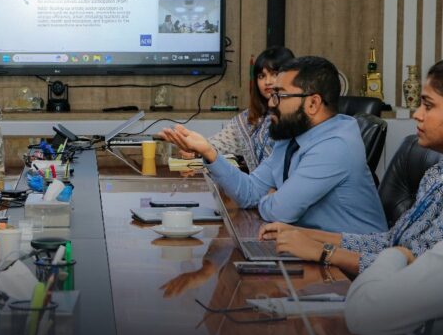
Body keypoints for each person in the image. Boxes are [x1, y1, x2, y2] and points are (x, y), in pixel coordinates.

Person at [160, 56, 386, 234]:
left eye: (279, 95)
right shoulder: (292, 137)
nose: (270, 102)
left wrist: (271, 199)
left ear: (313, 103)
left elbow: (279, 211)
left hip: (352, 265)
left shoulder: (336, 146)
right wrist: (209, 152)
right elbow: (249, 193)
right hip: (308, 247)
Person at [259, 60, 443, 275]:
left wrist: (323, 252)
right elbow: (390, 242)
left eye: (428, 106)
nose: (417, 114)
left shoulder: (337, 145)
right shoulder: (435, 174)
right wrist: (300, 234)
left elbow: (418, 272)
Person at [198, 46, 294, 171]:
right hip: (257, 182)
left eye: (274, 74)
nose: (267, 82)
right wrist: (194, 149)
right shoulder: (247, 119)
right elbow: (217, 143)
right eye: (261, 76)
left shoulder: (298, 116)